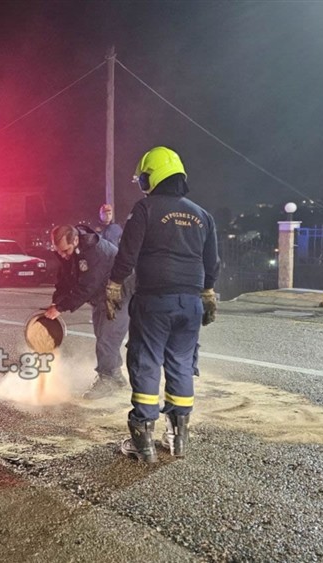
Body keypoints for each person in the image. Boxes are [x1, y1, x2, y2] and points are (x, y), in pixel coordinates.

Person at [105, 146, 219, 462]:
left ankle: (143, 443)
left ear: (151, 176)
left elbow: (127, 253)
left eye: (143, 177)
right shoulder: (202, 215)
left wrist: (114, 284)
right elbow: (212, 261)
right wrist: (208, 292)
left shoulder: (145, 209)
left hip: (154, 300)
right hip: (190, 303)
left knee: (145, 360)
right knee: (181, 362)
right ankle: (177, 439)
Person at [45, 224, 132, 394]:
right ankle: (116, 376)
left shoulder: (96, 252)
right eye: (59, 251)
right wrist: (56, 301)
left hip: (119, 294)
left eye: (66, 250)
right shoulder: (70, 253)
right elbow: (64, 280)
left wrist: (61, 307)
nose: (63, 255)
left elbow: (86, 287)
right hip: (101, 297)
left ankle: (107, 381)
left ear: (76, 240)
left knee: (107, 339)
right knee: (102, 335)